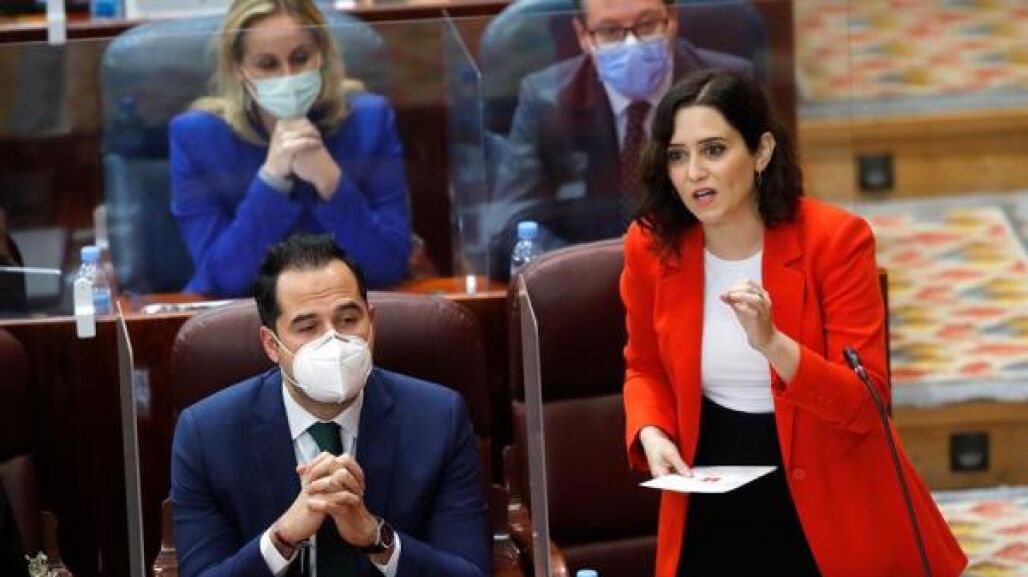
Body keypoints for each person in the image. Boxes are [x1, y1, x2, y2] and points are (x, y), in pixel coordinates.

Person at [621, 70, 967, 577]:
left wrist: (772, 343)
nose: (694, 172)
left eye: (713, 150)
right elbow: (643, 367)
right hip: (709, 480)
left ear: (761, 152)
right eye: (677, 155)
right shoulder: (651, 245)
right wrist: (652, 432)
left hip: (827, 490)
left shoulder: (836, 241)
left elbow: (865, 404)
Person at [170, 234, 490, 577]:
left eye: (348, 320)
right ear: (271, 345)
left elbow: (470, 572)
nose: (332, 339)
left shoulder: (438, 419)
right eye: (308, 327)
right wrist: (281, 539)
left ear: (372, 322)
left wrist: (376, 539)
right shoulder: (207, 435)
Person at [488, 0, 752, 278]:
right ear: (583, 36)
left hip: (701, 279)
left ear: (672, 19)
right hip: (593, 287)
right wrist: (594, 269)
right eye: (610, 31)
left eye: (646, 25)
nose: (631, 44)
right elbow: (507, 230)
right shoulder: (546, 100)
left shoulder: (730, 89)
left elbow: (763, 209)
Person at [170, 0, 411, 298]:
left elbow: (387, 267)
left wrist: (332, 182)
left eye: (300, 58)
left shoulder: (369, 121)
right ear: (238, 69)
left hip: (345, 310)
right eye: (267, 64)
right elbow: (224, 280)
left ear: (321, 53)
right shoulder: (196, 137)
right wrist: (271, 181)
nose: (287, 76)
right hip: (245, 315)